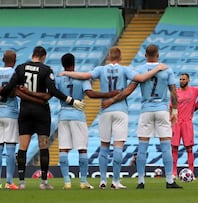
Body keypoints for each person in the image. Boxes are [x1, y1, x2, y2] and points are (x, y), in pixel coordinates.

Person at [59, 46, 166, 189]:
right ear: (120, 58)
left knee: (104, 145)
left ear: (108, 57)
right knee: (118, 146)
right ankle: (115, 181)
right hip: (120, 110)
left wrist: (65, 72)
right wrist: (157, 69)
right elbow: (141, 78)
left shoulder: (100, 69)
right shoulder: (124, 69)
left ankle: (103, 181)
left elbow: (84, 76)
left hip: (105, 110)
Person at [0, 46, 85, 190]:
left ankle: (21, 182)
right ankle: (44, 182)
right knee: (43, 145)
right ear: (43, 56)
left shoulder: (20, 68)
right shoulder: (46, 70)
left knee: (23, 147)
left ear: (33, 55)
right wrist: (70, 100)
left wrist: (4, 95)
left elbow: (10, 87)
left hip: (25, 111)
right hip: (41, 112)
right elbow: (52, 91)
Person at [56, 53, 119, 189]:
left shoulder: (59, 78)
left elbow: (54, 92)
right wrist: (108, 94)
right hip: (78, 115)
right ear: (74, 64)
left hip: (63, 114)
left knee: (63, 148)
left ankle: (67, 182)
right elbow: (90, 94)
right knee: (82, 149)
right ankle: (83, 181)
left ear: (63, 64)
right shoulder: (81, 77)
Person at [133, 44, 182, 189]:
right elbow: (173, 92)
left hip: (146, 110)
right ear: (158, 55)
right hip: (162, 110)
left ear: (145, 55)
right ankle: (169, 181)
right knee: (166, 146)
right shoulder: (166, 69)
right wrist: (174, 112)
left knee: (142, 147)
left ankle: (141, 181)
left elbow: (132, 86)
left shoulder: (141, 69)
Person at [171, 73, 198, 179]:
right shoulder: (175, 92)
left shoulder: (195, 90)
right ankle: (174, 172)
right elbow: (170, 107)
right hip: (176, 122)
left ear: (189, 80)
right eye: (180, 79)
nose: (181, 81)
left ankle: (191, 172)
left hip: (187, 122)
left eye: (184, 79)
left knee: (189, 148)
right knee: (174, 148)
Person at [0, 50, 19, 190]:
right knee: (10, 148)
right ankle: (9, 181)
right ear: (15, 60)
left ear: (2, 59)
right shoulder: (14, 73)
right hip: (10, 112)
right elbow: (15, 92)